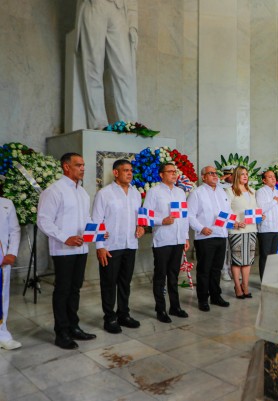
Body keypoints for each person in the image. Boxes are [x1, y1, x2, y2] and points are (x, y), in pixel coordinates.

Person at [38, 153, 97, 349]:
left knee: (75, 289)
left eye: (83, 165)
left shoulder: (82, 192)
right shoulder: (54, 191)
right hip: (63, 250)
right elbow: (44, 220)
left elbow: (86, 219)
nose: (82, 168)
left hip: (81, 248)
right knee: (63, 290)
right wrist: (66, 237)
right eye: (78, 165)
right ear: (66, 167)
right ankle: (61, 332)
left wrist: (96, 233)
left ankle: (73, 327)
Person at [92, 159, 144, 334]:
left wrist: (141, 226)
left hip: (130, 244)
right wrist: (100, 246)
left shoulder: (136, 194)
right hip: (110, 246)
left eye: (131, 170)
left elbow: (140, 218)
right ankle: (110, 318)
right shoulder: (104, 194)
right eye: (125, 170)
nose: (129, 173)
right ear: (116, 172)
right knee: (109, 283)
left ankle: (124, 314)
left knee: (125, 282)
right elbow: (97, 221)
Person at [75, 0, 138, 129]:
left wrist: (133, 24)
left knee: (125, 71)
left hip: (118, 10)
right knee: (93, 67)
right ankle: (98, 123)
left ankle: (130, 124)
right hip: (95, 5)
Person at [144, 162, 190, 323]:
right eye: (170, 171)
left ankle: (175, 306)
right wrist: (161, 220)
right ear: (161, 175)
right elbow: (146, 216)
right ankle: (160, 309)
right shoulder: (154, 192)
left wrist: (185, 237)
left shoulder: (180, 192)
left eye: (175, 171)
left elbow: (184, 216)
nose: (173, 174)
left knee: (173, 275)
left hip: (177, 239)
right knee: (160, 275)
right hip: (162, 239)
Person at [187, 166, 232, 312]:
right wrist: (201, 228)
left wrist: (234, 222)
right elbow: (190, 215)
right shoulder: (197, 193)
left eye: (215, 173)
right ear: (204, 177)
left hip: (221, 234)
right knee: (204, 270)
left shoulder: (221, 192)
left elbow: (228, 211)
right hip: (205, 236)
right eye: (211, 173)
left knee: (217, 269)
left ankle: (216, 296)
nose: (214, 176)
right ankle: (202, 299)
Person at [226, 166, 259, 299]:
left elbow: (255, 208)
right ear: (237, 176)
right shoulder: (230, 191)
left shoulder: (252, 191)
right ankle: (237, 286)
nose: (245, 176)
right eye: (242, 174)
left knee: (248, 260)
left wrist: (259, 215)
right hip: (236, 229)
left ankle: (245, 285)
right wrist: (235, 222)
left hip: (251, 228)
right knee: (237, 260)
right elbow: (226, 210)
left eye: (246, 174)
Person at [256, 170, 278, 280]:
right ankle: (264, 281)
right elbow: (260, 209)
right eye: (270, 177)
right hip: (265, 229)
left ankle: (271, 279)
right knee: (265, 256)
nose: (273, 178)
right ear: (264, 180)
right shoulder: (260, 192)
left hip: (276, 228)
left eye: (274, 176)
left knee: (273, 257)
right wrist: (274, 202)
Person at [0, 197, 21, 350]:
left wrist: (12, 253)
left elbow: (15, 230)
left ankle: (2, 334)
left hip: (2, 259)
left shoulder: (6, 204)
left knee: (1, 296)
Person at [218, 166, 235, 282]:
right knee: (225, 247)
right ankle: (224, 269)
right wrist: (222, 178)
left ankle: (231, 268)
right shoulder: (221, 187)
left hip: (234, 219)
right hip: (224, 220)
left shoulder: (237, 186)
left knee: (232, 246)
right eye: (230, 175)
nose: (232, 178)